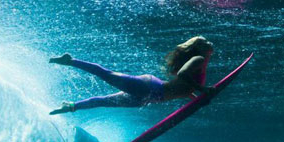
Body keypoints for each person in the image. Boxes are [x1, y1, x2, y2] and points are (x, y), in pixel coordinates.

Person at [48, 36, 218, 114]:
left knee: (104, 101)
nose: (209, 44)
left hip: (148, 97)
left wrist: (196, 98)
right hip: (149, 88)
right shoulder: (199, 59)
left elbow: (183, 87)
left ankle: (71, 106)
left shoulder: (200, 62)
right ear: (201, 48)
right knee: (106, 74)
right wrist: (202, 90)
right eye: (205, 43)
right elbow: (182, 74)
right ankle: (70, 61)